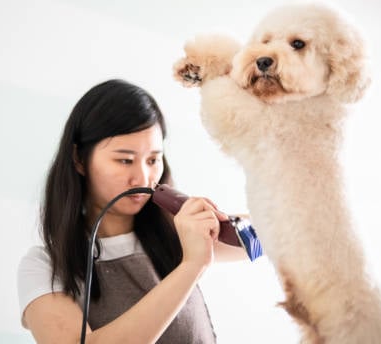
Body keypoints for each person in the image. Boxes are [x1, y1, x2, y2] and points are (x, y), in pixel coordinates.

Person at [17, 79, 248, 343]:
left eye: (153, 160)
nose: (142, 177)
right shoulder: (45, 267)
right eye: (125, 160)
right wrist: (191, 266)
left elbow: (282, 238)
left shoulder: (180, 234)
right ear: (79, 159)